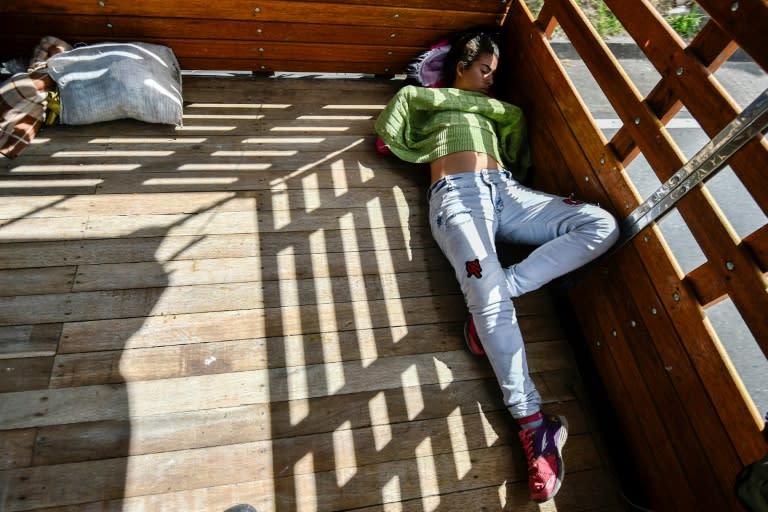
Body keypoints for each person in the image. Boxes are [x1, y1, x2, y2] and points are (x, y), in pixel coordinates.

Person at [374, 29, 619, 502]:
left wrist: (497, 284)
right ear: (461, 66)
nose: (490, 80)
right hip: (457, 197)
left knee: (600, 224)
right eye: (484, 69)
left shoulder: (505, 110)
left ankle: (499, 289)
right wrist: (437, 102)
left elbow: (518, 149)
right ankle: (534, 423)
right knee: (487, 303)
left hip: (507, 192)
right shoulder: (423, 97)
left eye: (494, 73)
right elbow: (387, 139)